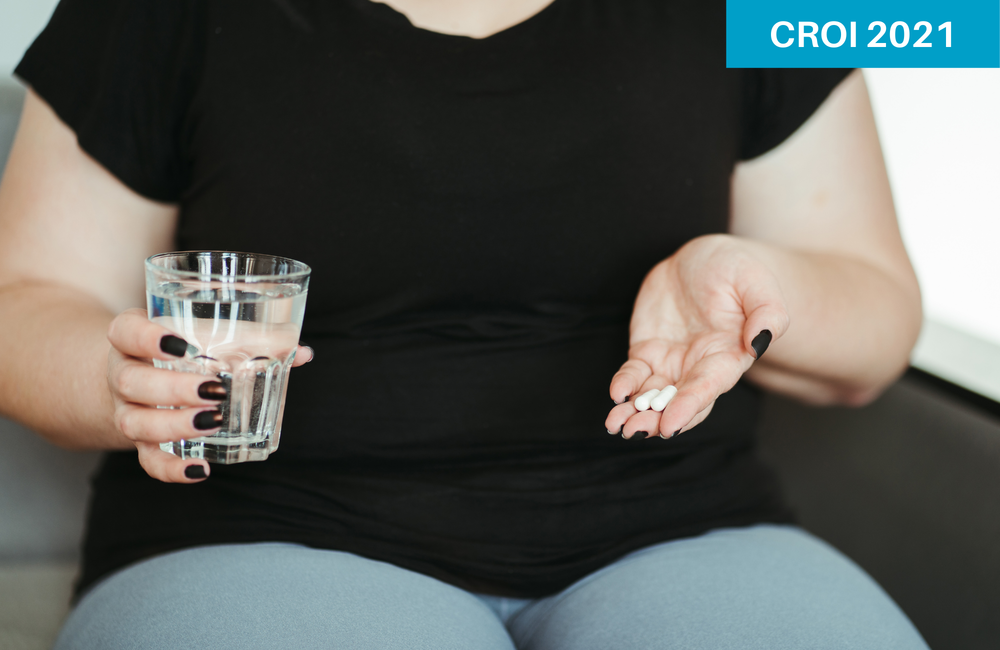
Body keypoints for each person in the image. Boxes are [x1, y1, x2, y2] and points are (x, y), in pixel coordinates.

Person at [0, 0, 928, 648]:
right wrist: (121, 382)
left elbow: (874, 331)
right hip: (259, 533)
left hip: (682, 529)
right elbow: (26, 300)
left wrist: (757, 280)